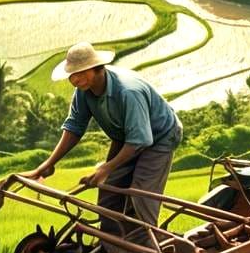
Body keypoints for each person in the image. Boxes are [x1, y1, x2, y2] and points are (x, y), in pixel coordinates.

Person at [20, 41, 182, 240]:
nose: (76, 79)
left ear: (98, 69)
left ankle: (150, 251)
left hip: (160, 137)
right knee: (108, 191)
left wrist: (106, 168)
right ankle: (112, 245)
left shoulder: (128, 92)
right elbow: (74, 127)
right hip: (126, 137)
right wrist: (47, 165)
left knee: (141, 196)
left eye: (81, 72)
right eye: (72, 75)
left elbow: (141, 140)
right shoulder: (84, 91)